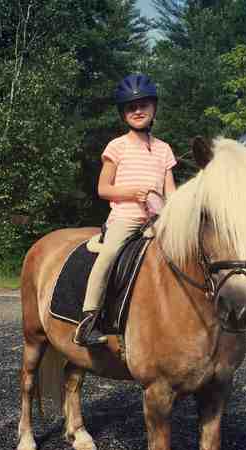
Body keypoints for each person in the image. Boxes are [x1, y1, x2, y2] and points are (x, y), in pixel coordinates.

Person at [73, 74, 177, 346]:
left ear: (154, 108)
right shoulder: (116, 147)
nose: (138, 110)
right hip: (126, 218)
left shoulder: (164, 149)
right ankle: (88, 319)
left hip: (157, 221)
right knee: (108, 256)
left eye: (143, 105)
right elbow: (103, 189)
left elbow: (171, 193)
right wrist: (133, 193)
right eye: (131, 107)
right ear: (123, 113)